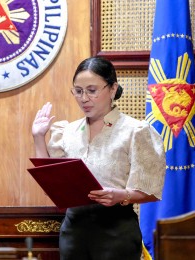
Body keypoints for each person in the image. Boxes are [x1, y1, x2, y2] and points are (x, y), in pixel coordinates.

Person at [31, 56, 166, 260]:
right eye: (78, 91)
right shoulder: (66, 131)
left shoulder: (135, 131)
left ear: (112, 89)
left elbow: (152, 192)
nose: (84, 98)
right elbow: (51, 185)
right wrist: (38, 137)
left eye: (92, 91)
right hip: (73, 230)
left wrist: (121, 196)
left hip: (116, 230)